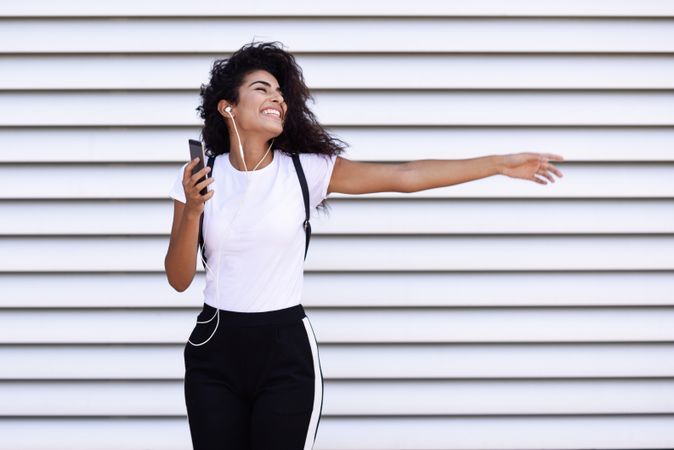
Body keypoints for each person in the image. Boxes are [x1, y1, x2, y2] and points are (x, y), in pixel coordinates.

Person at [164, 40, 564, 450]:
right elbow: (178, 279)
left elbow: (404, 175)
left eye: (281, 93)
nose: (277, 99)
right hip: (214, 348)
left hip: (284, 351)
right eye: (263, 89)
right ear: (228, 107)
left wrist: (498, 165)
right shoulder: (199, 175)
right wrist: (194, 209)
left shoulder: (305, 172)